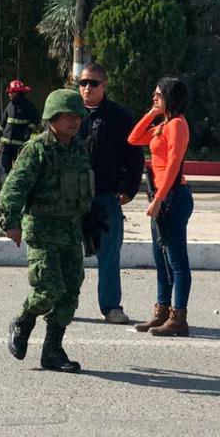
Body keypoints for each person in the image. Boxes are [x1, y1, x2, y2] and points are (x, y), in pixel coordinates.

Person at [1, 89, 93, 373]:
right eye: (67, 117)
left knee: (70, 291)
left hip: (71, 231)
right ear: (52, 118)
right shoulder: (37, 150)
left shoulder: (78, 149)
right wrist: (11, 222)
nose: (74, 122)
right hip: (42, 230)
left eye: (77, 117)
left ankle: (53, 350)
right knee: (48, 288)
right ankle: (24, 321)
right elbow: (14, 187)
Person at [76, 63, 145, 324]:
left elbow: (134, 156)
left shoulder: (120, 116)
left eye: (93, 83)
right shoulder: (68, 112)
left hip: (106, 195)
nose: (87, 88)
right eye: (83, 83)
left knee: (109, 254)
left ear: (104, 85)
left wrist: (129, 189)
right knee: (68, 252)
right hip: (71, 197)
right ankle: (63, 304)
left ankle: (111, 306)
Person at [128, 77, 194, 337]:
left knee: (176, 260)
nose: (154, 97)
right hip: (161, 196)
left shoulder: (177, 124)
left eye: (159, 94)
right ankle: (162, 311)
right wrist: (152, 113)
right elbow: (134, 138)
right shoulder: (164, 124)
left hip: (173, 197)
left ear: (171, 97)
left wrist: (158, 200)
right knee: (160, 257)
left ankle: (179, 318)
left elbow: (173, 165)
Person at [0, 79, 40, 175]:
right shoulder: (9, 106)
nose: (9, 95)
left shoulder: (28, 106)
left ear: (16, 93)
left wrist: (28, 131)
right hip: (6, 145)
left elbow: (35, 120)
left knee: (20, 171)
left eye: (11, 93)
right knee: (4, 170)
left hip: (20, 145)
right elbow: (3, 122)